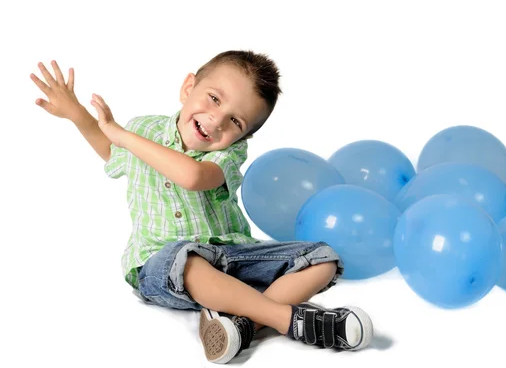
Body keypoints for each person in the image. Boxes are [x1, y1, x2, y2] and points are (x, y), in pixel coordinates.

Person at [30, 51, 373, 364]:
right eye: (213, 98)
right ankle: (288, 320)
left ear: (244, 136)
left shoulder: (228, 153)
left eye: (235, 121)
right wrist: (77, 114)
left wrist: (122, 136)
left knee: (323, 258)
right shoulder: (141, 129)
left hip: (232, 256)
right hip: (161, 264)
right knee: (186, 259)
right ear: (188, 87)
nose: (216, 120)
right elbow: (110, 149)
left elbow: (193, 176)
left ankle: (239, 325)